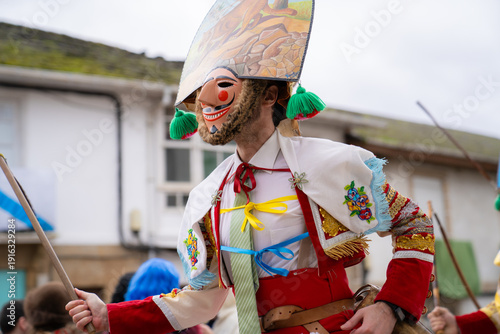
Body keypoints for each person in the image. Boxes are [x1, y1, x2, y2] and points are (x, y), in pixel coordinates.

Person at [66, 1, 434, 333]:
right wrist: (109, 315)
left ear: (270, 96)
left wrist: (391, 306)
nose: (207, 101)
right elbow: (200, 300)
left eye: (224, 85)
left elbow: (414, 223)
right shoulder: (207, 197)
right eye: (201, 93)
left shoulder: (326, 163)